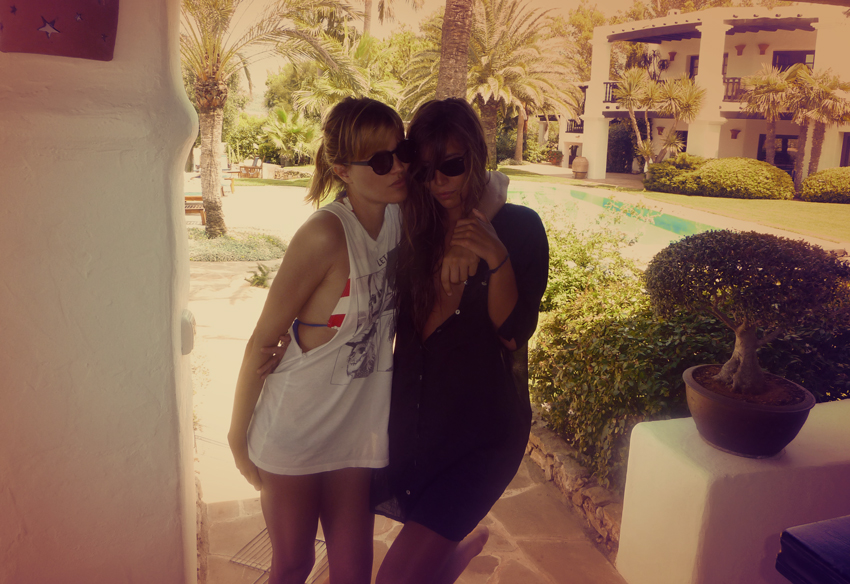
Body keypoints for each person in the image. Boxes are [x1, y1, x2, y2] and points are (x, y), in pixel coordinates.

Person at [232, 97, 507, 584]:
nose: (399, 167)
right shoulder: (324, 235)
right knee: (293, 565)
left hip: (355, 440)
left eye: (402, 151)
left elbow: (495, 183)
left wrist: (471, 233)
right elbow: (261, 342)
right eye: (380, 161)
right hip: (294, 433)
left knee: (354, 577)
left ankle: (446, 565)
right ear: (342, 170)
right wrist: (238, 438)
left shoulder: (403, 217)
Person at [373, 98, 549, 584]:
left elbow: (512, 335)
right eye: (425, 170)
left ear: (476, 154)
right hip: (415, 428)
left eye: (452, 165)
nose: (438, 182)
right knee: (421, 559)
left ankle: (450, 556)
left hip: (481, 436)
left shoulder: (520, 229)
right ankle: (453, 559)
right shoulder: (413, 227)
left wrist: (496, 258)